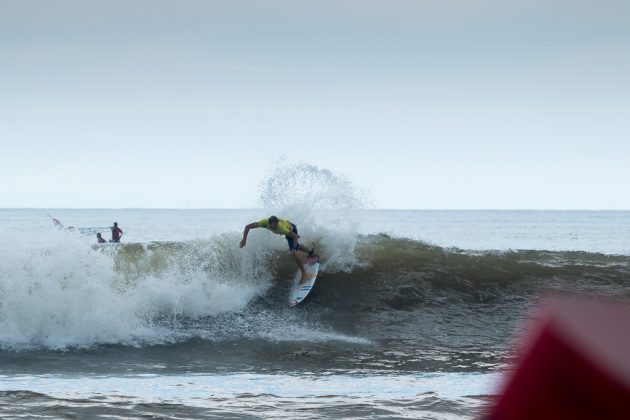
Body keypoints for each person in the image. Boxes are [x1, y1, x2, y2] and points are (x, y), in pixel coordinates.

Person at [240, 216, 314, 284]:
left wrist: (294, 249)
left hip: (291, 229)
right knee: (296, 246)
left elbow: (295, 236)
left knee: (293, 252)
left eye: (275, 224)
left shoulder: (281, 228)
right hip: (286, 226)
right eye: (271, 224)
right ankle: (310, 251)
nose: (273, 226)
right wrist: (244, 239)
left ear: (277, 223)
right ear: (268, 223)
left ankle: (304, 273)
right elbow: (247, 227)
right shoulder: (264, 223)